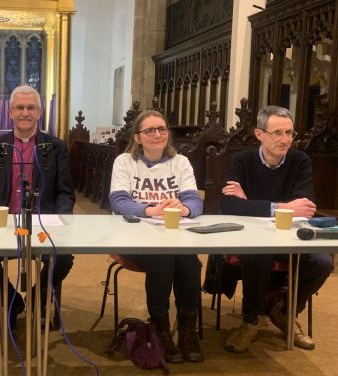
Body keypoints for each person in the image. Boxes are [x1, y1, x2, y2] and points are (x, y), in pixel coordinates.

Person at [220, 105, 333, 352]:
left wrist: (248, 202)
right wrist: (283, 206)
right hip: (252, 237)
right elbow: (228, 204)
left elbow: (305, 207)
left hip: (290, 236)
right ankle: (250, 322)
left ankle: (285, 311)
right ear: (259, 134)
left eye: (290, 133)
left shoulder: (300, 161)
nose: (285, 139)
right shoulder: (242, 160)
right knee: (258, 255)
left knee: (322, 262)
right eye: (278, 133)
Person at [0, 85, 75, 329]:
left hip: (42, 226)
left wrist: (59, 223)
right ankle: (13, 300)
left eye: (30, 108)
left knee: (64, 259)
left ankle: (38, 300)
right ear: (10, 112)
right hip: (3, 226)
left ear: (40, 112)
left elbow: (65, 193)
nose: (25, 113)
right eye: (19, 107)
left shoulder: (55, 147)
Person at [109, 110, 204, 363]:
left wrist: (183, 209)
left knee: (189, 262)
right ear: (138, 137)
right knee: (163, 261)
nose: (157, 134)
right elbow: (118, 201)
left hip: (173, 234)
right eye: (149, 130)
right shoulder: (124, 162)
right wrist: (151, 210)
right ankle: (160, 329)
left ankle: (187, 330)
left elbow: (194, 200)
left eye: (162, 129)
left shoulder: (180, 162)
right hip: (133, 236)